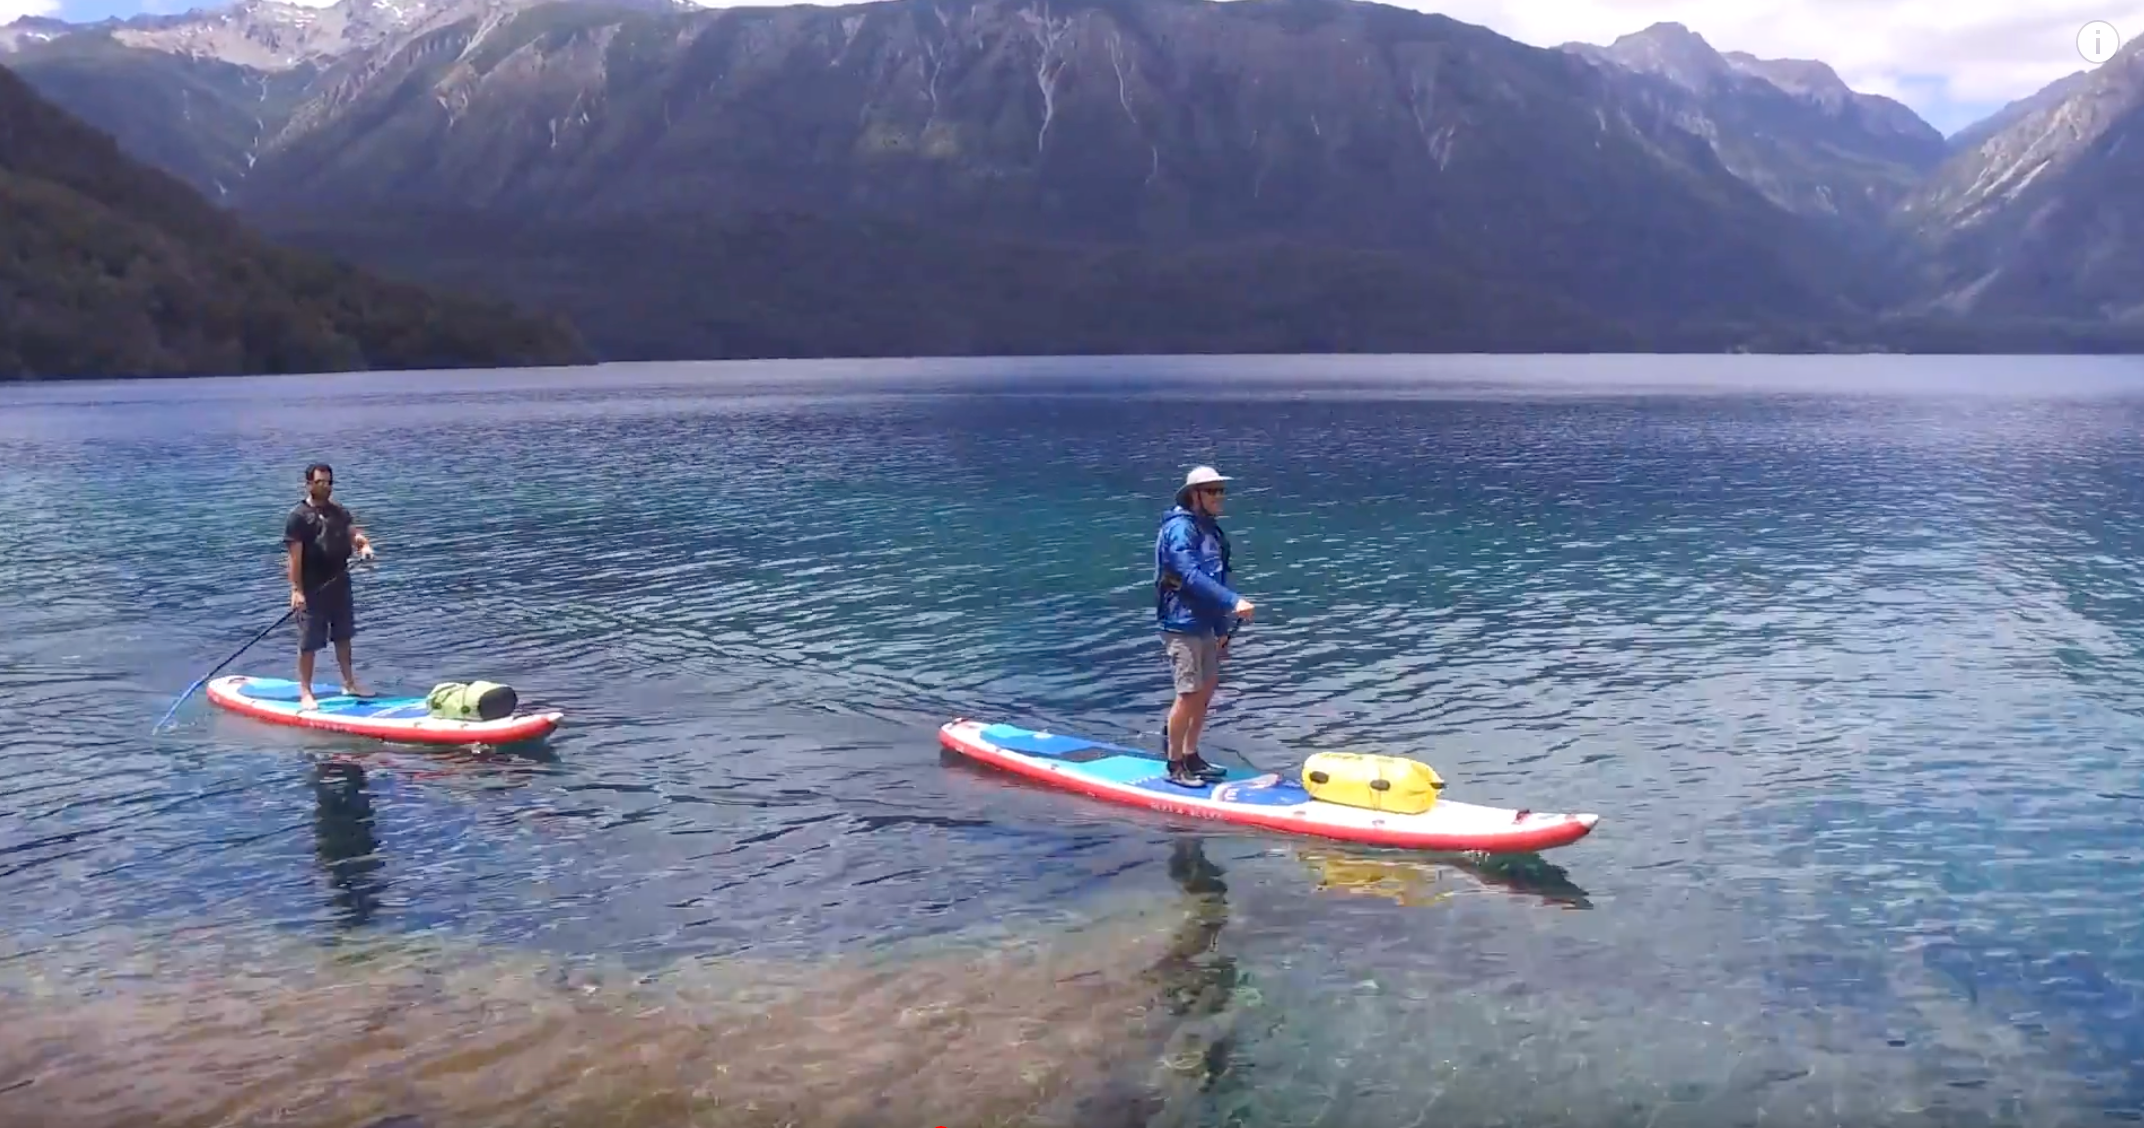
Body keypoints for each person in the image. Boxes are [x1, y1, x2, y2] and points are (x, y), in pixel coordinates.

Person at [1154, 465, 1255, 787]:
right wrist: (1232, 602)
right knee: (1188, 693)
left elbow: (1215, 576)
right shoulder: (1180, 530)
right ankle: (1175, 765)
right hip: (1181, 623)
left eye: (1221, 490)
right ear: (1194, 495)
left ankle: (1192, 755)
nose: (1219, 496)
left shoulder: (1209, 529)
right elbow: (1188, 574)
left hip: (1206, 623)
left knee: (1205, 692)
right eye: (1212, 491)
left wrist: (1222, 627)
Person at [284, 462, 376, 711]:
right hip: (312, 588)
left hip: (340, 582)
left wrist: (363, 546)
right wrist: (297, 590)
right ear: (309, 484)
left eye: (329, 482)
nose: (325, 487)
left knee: (344, 635)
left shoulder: (339, 512)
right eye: (320, 482)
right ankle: (306, 692)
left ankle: (349, 683)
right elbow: (294, 557)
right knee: (310, 641)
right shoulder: (298, 517)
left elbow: (353, 534)